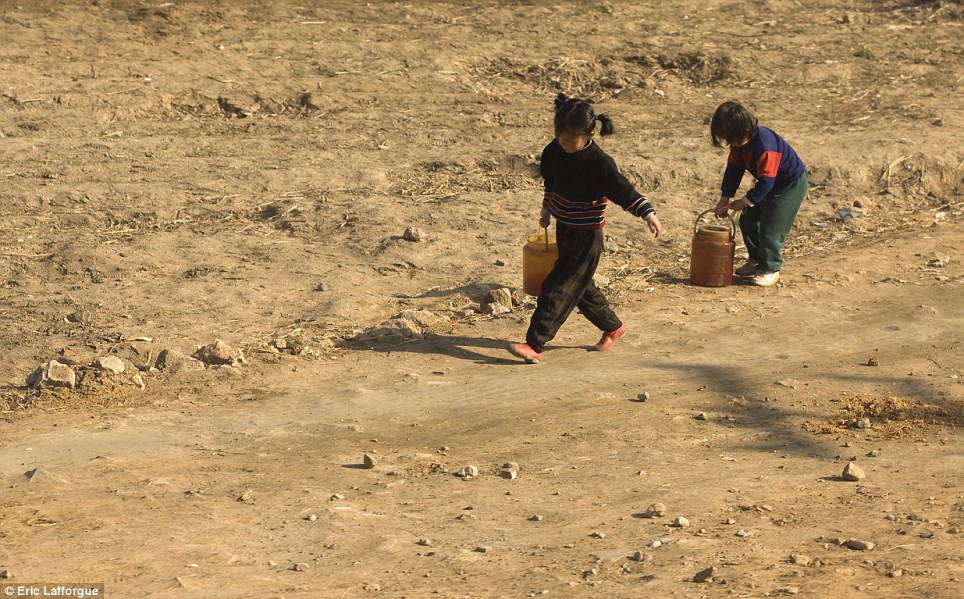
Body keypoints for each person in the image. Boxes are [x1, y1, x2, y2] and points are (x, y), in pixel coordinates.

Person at [508, 93, 663, 364]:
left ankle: (535, 344)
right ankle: (613, 327)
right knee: (580, 287)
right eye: (562, 138)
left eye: (572, 140)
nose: (566, 145)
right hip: (564, 229)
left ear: (590, 133)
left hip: (587, 236)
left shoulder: (598, 163)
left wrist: (647, 211)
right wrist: (547, 209)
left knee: (556, 287)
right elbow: (552, 183)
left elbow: (622, 189)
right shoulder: (553, 151)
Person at [711, 100, 808, 287]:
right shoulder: (739, 144)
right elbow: (734, 169)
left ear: (744, 130)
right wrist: (725, 197)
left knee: (771, 228)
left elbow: (766, 182)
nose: (729, 143)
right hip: (769, 184)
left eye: (731, 139)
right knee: (747, 219)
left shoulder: (765, 146)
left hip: (789, 186)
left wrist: (745, 201)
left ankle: (771, 268)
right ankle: (756, 260)